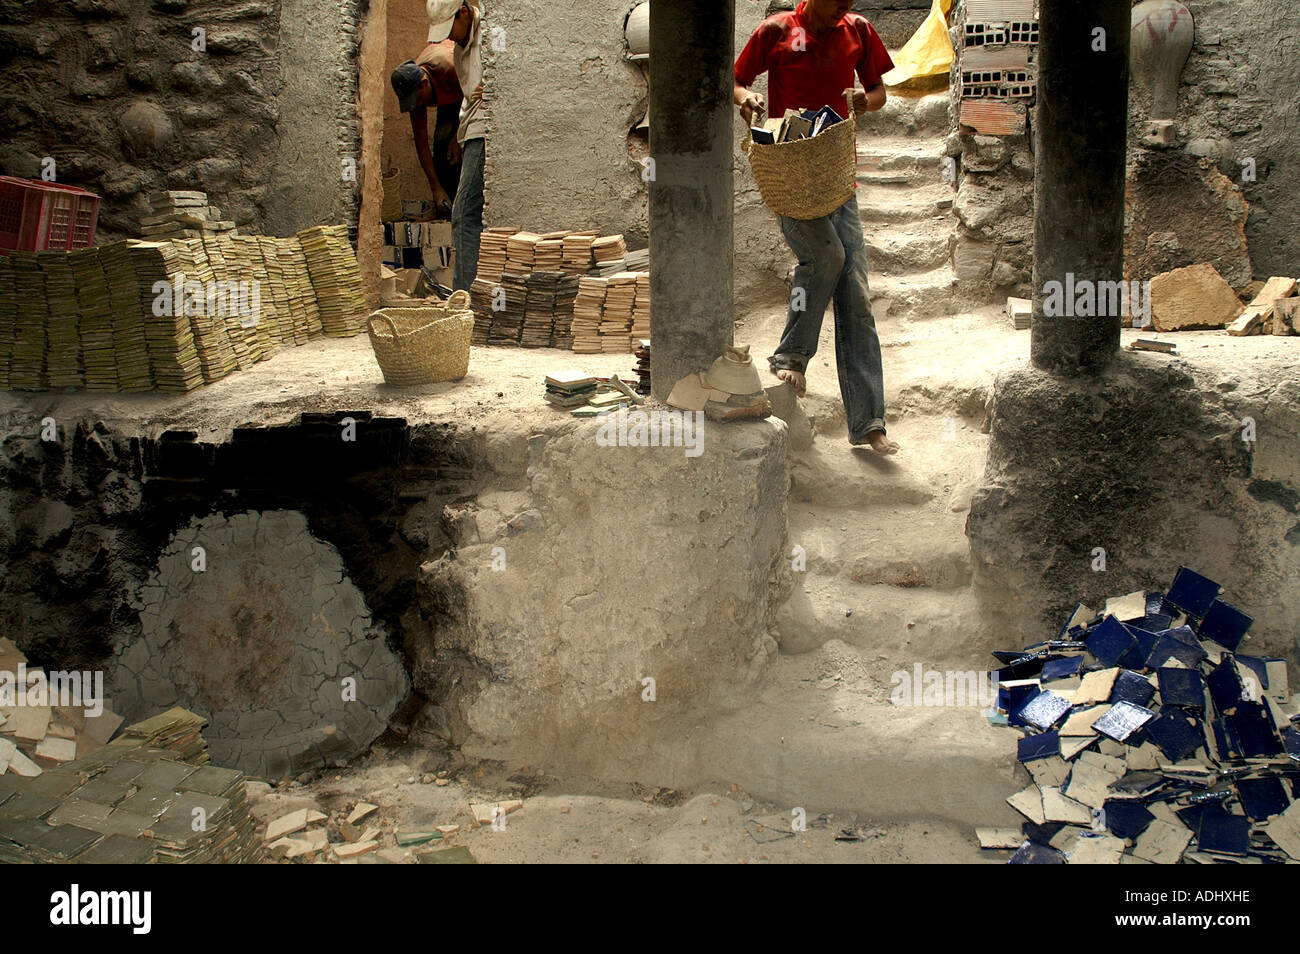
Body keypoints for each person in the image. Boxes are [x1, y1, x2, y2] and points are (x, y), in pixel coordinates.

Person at [734, 0, 899, 454]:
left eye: (847, 4)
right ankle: (791, 356)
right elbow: (734, 80)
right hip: (791, 170)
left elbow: (878, 92)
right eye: (834, 5)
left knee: (857, 294)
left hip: (836, 173)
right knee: (826, 255)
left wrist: (866, 102)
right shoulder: (776, 30)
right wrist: (747, 99)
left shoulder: (858, 30)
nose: (840, 12)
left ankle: (868, 421)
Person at [426, 0, 486, 292]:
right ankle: (471, 295)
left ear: (463, 12)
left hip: (485, 130)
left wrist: (496, 85)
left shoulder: (489, 33)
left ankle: (465, 298)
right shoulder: (461, 49)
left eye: (450, 28)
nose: (448, 37)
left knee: (463, 214)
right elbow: (468, 98)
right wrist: (457, 137)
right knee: (469, 214)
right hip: (471, 131)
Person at [390, 42, 463, 218]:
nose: (418, 105)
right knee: (441, 144)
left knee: (465, 145)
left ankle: (467, 209)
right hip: (447, 94)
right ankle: (447, 204)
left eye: (419, 100)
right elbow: (421, 141)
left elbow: (478, 96)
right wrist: (435, 188)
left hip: (470, 92)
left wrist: (459, 136)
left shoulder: (450, 68)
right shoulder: (413, 92)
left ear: (424, 83)